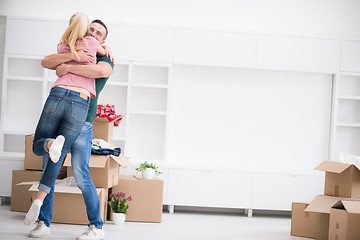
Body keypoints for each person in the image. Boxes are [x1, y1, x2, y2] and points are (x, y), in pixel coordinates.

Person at [26, 19, 114, 240]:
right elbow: (47, 61)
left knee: (82, 174)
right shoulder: (76, 47)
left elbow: (100, 71)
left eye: (98, 32)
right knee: (50, 165)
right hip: (61, 115)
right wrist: (72, 57)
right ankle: (43, 222)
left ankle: (96, 226)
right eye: (91, 29)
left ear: (103, 40)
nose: (93, 33)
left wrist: (67, 68)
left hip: (83, 123)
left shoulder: (105, 57)